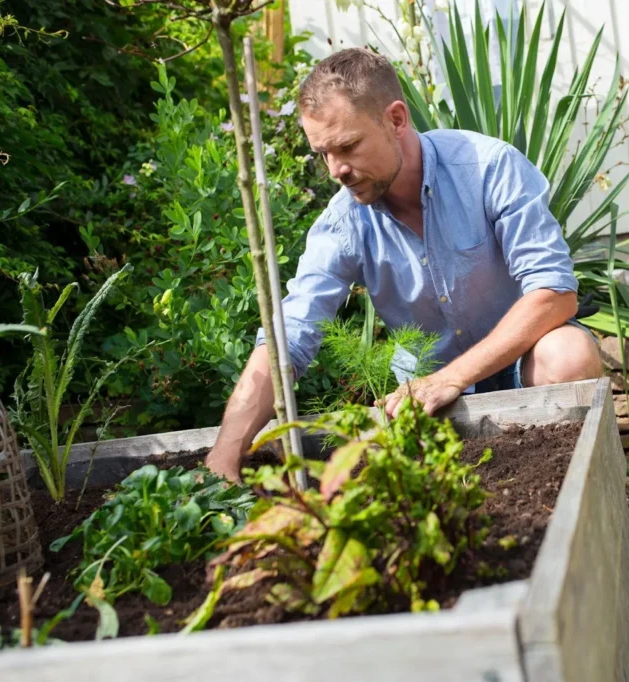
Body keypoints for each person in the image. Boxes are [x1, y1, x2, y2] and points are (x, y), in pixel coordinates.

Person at [205, 47, 602, 482]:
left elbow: (555, 294)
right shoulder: (343, 223)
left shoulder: (488, 168)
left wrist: (452, 377)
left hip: (517, 366)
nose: (336, 169)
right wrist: (224, 456)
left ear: (396, 119)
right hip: (421, 402)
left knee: (570, 354)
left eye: (348, 146)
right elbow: (289, 337)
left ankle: (569, 488)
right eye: (323, 153)